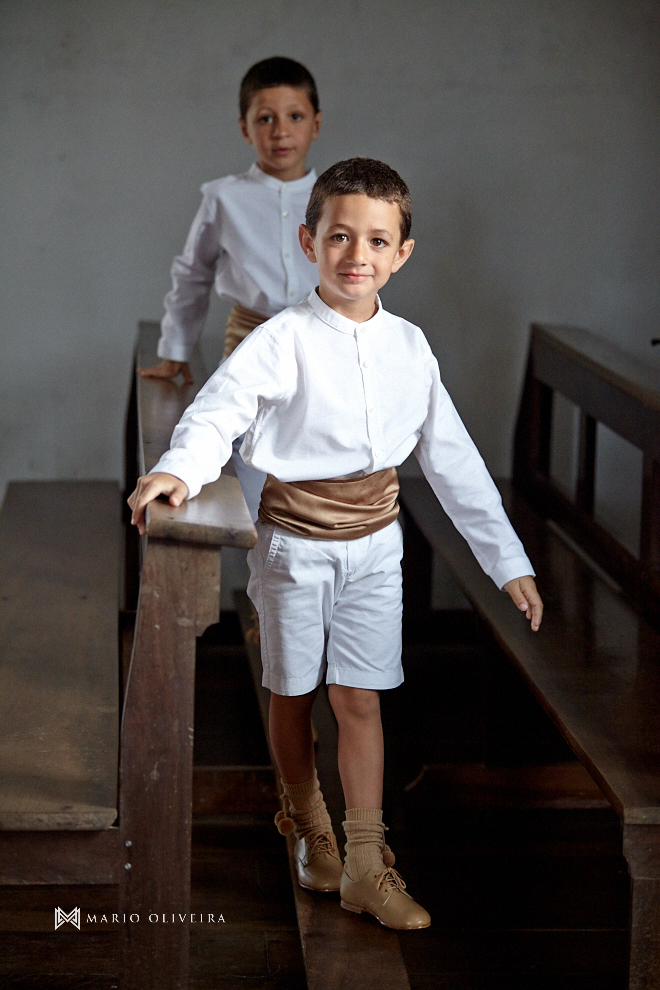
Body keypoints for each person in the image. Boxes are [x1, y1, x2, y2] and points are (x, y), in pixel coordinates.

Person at [128, 158, 543, 931]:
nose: (359, 253)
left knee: (360, 697)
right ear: (308, 241)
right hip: (293, 546)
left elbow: (451, 461)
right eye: (340, 236)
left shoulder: (411, 348)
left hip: (377, 547)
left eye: (378, 240)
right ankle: (307, 822)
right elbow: (219, 407)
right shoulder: (283, 339)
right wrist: (177, 471)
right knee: (293, 692)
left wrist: (508, 562)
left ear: (401, 254)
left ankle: (363, 861)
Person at [138, 56, 322, 519]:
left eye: (295, 117)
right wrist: (176, 349)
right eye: (266, 119)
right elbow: (193, 273)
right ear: (245, 129)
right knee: (250, 461)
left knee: (317, 457)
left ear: (315, 124)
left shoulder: (335, 198)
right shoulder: (224, 197)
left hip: (321, 349)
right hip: (249, 346)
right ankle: (264, 574)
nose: (280, 131)